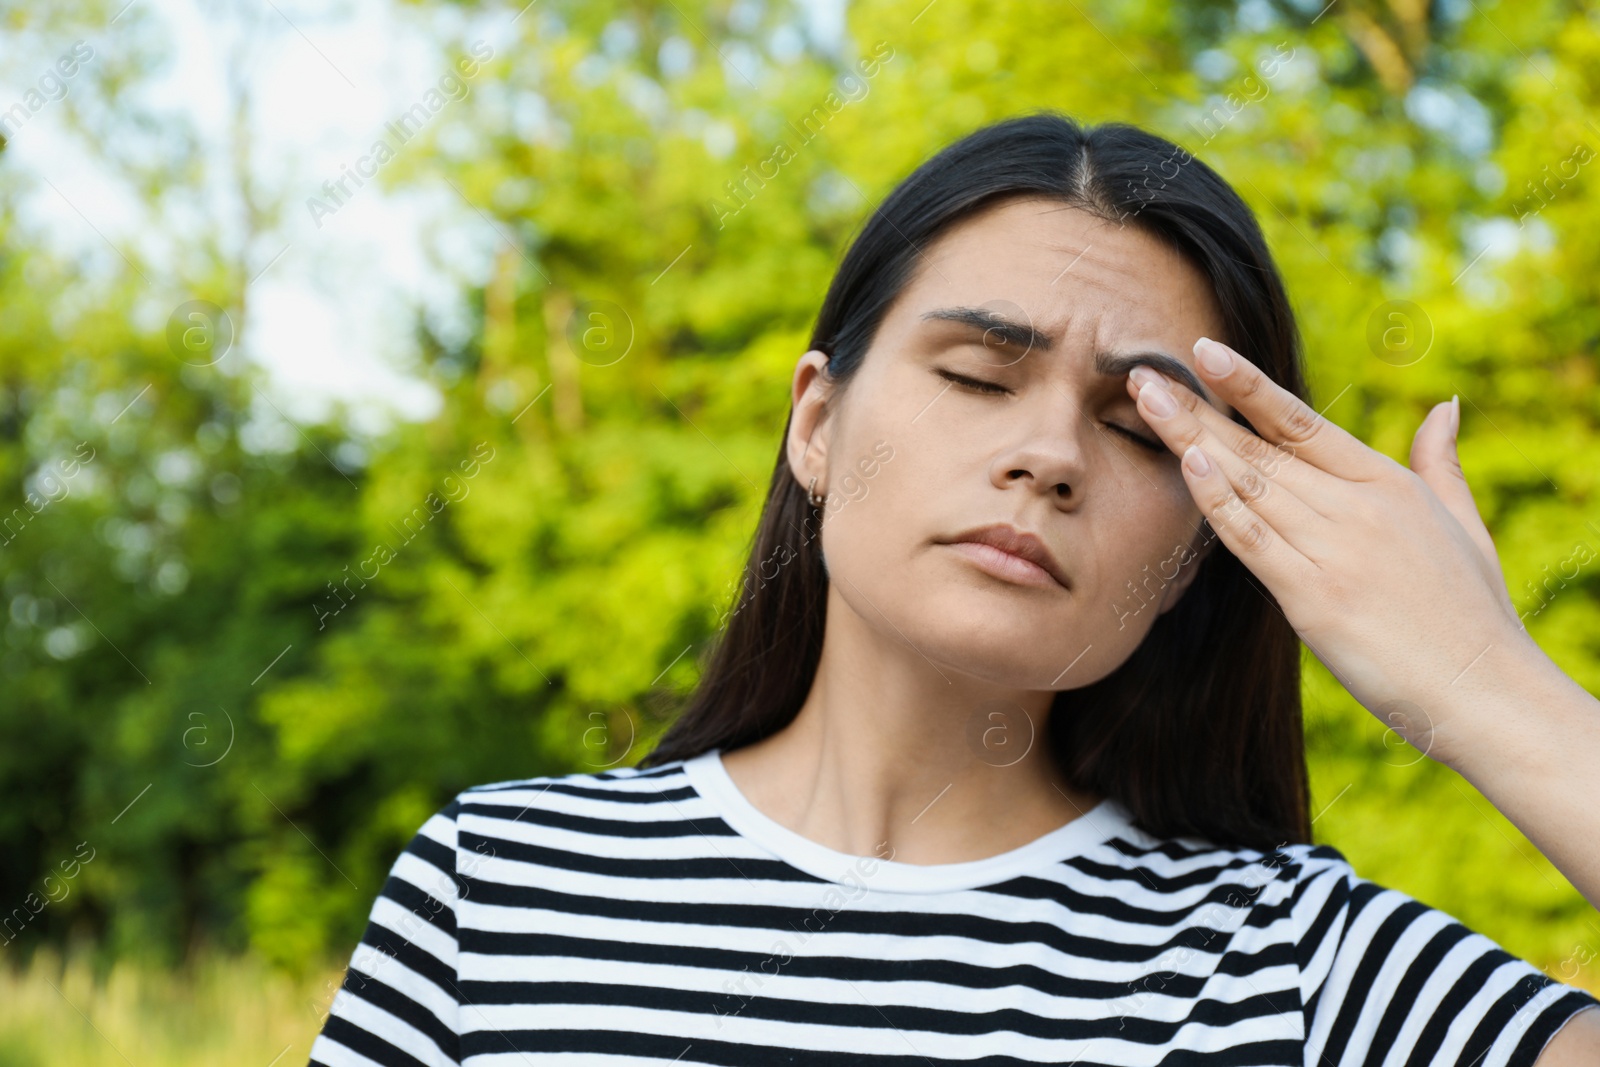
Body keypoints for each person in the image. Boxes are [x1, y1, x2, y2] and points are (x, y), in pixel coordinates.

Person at [306, 111, 1600, 1066]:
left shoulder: (1300, 970)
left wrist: (1488, 689)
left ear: (1208, 537)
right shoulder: (503, 889)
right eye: (980, 376)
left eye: (1143, 429)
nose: (1047, 454)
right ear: (816, 425)